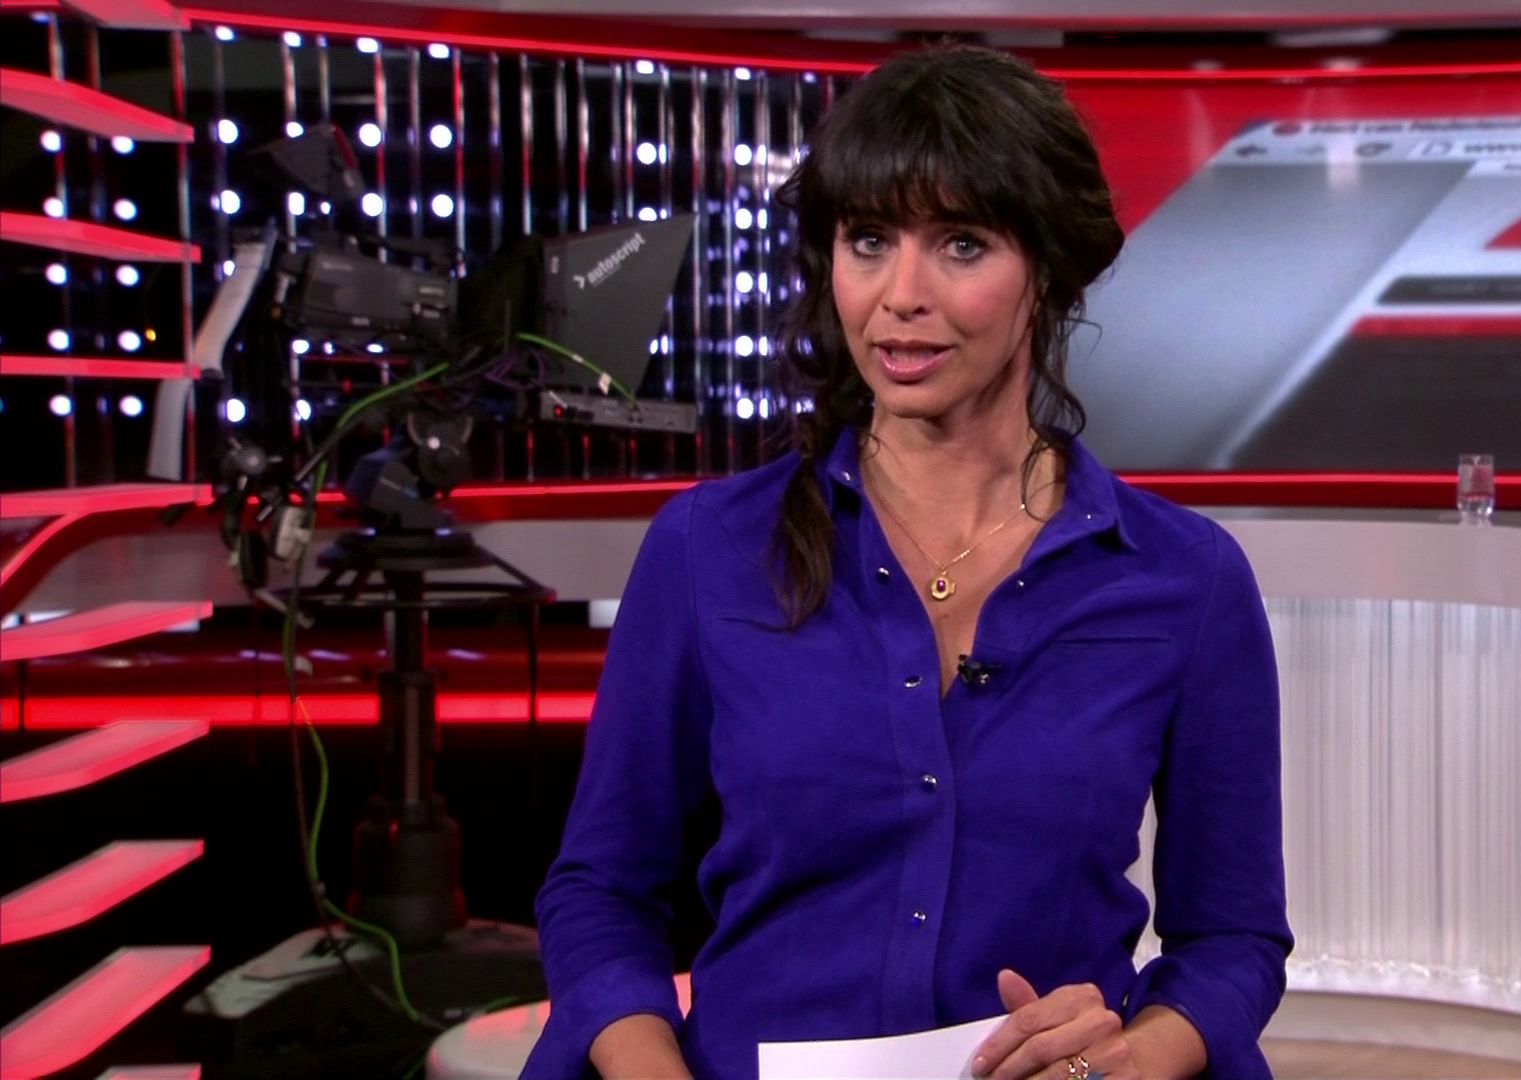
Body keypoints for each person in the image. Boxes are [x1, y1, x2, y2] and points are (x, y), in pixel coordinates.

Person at [524, 44, 1290, 1080]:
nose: (900, 295)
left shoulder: (1184, 580)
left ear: (1047, 270)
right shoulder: (706, 550)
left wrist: (1129, 1057)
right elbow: (602, 893)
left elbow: (1233, 939)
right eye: (870, 240)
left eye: (961, 244)